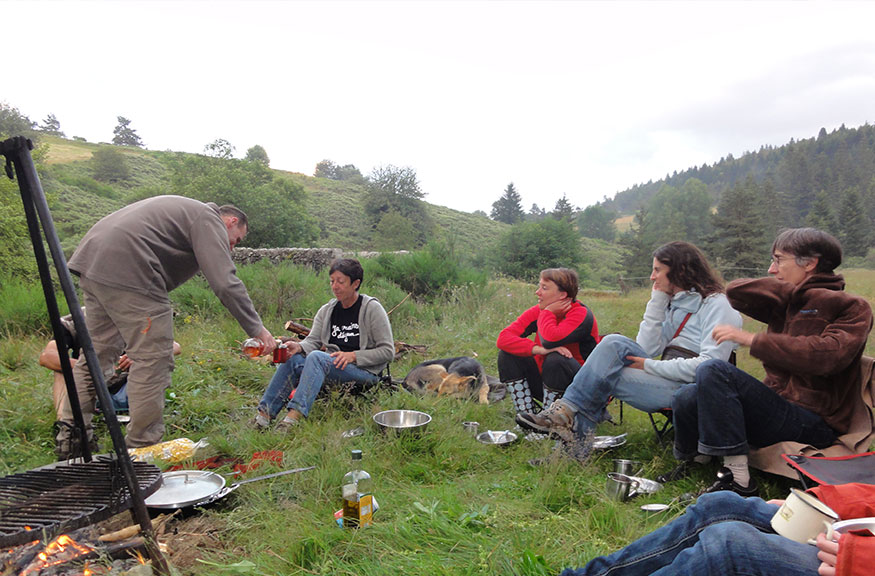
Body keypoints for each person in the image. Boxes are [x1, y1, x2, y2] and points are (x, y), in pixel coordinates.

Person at [58, 195, 276, 455]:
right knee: (153, 360)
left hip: (94, 263)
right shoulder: (207, 218)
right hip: (132, 270)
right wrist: (257, 330)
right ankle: (142, 449)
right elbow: (225, 283)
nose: (231, 248)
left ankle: (73, 436)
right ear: (231, 221)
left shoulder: (184, 212)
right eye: (236, 240)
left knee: (96, 355)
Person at [665, 228, 873, 496]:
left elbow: (828, 356)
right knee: (686, 395)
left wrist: (754, 340)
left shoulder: (852, 307)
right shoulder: (787, 303)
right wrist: (796, 291)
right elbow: (737, 292)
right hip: (777, 408)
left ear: (810, 263)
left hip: (813, 422)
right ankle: (694, 460)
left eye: (778, 259)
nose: (771, 269)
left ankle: (739, 480)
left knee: (714, 370)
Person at [515, 242, 742, 460]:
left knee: (605, 364)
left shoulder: (718, 306)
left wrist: (649, 365)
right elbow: (647, 348)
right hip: (666, 376)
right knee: (604, 364)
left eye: (657, 270)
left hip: (692, 389)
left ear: (680, 271)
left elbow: (708, 368)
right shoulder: (677, 305)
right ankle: (567, 424)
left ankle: (568, 427)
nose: (652, 277)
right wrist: (657, 302)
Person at [559, 482, 875, 576]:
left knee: (731, 544)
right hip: (858, 538)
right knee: (719, 504)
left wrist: (862, 560)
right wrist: (819, 499)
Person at [255, 258, 394, 430]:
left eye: (340, 282)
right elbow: (313, 340)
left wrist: (353, 356)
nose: (335, 286)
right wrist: (298, 347)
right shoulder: (327, 310)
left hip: (364, 372)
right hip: (332, 366)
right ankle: (263, 416)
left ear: (355, 283)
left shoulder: (372, 309)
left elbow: (388, 351)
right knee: (293, 359)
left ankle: (292, 418)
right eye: (332, 281)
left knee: (317, 357)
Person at [496, 267, 600, 415]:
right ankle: (526, 416)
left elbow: (551, 339)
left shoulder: (580, 314)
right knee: (507, 354)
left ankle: (549, 420)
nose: (537, 292)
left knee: (556, 359)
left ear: (563, 294)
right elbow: (503, 338)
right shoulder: (540, 310)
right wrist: (538, 349)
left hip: (581, 390)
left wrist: (548, 313)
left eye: (544, 288)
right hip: (546, 382)